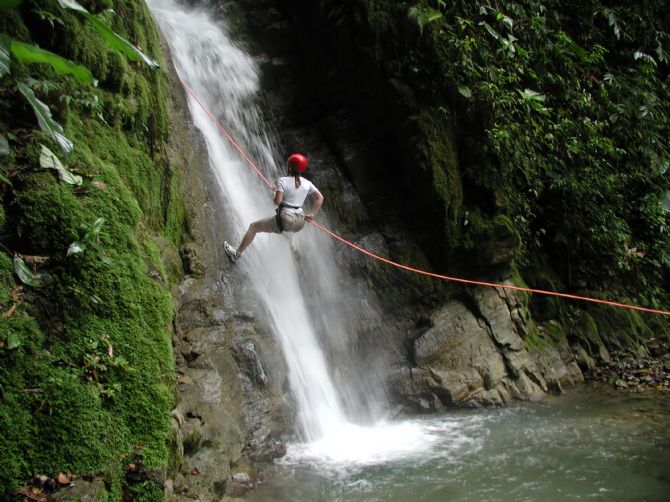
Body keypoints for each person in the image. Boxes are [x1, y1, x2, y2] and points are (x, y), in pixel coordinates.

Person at [224, 153, 324, 262]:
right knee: (288, 230)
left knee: (253, 227)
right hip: (300, 222)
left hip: (286, 219)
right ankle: (292, 249)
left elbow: (277, 202)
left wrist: (275, 192)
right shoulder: (308, 184)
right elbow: (320, 198)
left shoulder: (282, 181)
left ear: (289, 167)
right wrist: (313, 214)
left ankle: (236, 254)